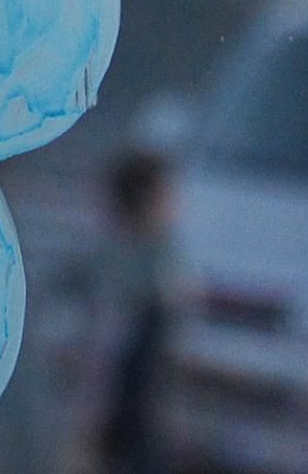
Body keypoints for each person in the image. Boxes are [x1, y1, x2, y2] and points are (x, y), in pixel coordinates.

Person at [82, 147, 176, 474]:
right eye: (166, 196)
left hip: (138, 408)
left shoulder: (158, 256)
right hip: (123, 407)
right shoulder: (133, 263)